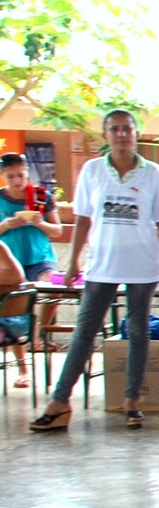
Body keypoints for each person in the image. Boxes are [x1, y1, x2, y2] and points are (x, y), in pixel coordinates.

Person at [31, 111, 159, 431]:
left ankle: (132, 401)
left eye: (127, 129)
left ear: (136, 134)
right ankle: (60, 401)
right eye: (115, 129)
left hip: (142, 264)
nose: (122, 134)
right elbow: (83, 219)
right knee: (84, 332)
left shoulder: (152, 173)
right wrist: (73, 262)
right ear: (106, 135)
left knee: (138, 331)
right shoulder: (93, 171)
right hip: (102, 266)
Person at [1, 152, 63, 388]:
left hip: (40, 256)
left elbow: (57, 231)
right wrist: (7, 224)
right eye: (11, 176)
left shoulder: (40, 196)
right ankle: (23, 369)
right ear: (3, 175)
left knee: (54, 289)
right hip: (10, 260)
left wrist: (39, 222)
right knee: (13, 310)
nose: (17, 180)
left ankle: (39, 334)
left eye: (21, 175)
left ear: (27, 173)